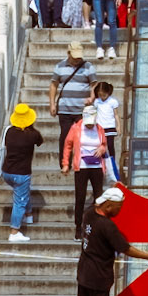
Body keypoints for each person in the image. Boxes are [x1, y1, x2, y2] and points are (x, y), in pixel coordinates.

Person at [63, 99, 114, 234]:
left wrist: (102, 148)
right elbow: (68, 145)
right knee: (80, 197)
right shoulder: (76, 128)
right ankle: (78, 227)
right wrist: (65, 164)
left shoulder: (100, 129)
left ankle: (97, 225)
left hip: (96, 166)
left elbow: (104, 144)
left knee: (99, 196)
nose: (90, 126)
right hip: (82, 166)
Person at [1, 102, 42, 244]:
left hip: (7, 171)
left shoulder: (9, 132)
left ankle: (29, 214)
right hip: (21, 173)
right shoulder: (33, 135)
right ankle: (14, 231)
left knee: (22, 193)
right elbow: (40, 141)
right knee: (19, 201)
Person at [48, 40, 96, 156]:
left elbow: (94, 84)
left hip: (83, 110)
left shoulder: (88, 66)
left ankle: (81, 162)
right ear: (68, 53)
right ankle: (64, 163)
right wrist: (52, 104)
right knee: (65, 136)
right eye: (74, 57)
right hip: (65, 108)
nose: (77, 60)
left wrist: (92, 97)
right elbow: (54, 85)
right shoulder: (60, 66)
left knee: (84, 137)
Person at [93, 78, 120, 163]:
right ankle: (102, 162)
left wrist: (118, 126)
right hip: (100, 127)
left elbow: (116, 114)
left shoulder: (112, 101)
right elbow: (94, 114)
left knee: (110, 145)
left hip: (110, 126)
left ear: (108, 93)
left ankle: (112, 162)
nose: (102, 97)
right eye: (100, 95)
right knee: (100, 145)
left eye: (104, 95)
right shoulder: (97, 101)